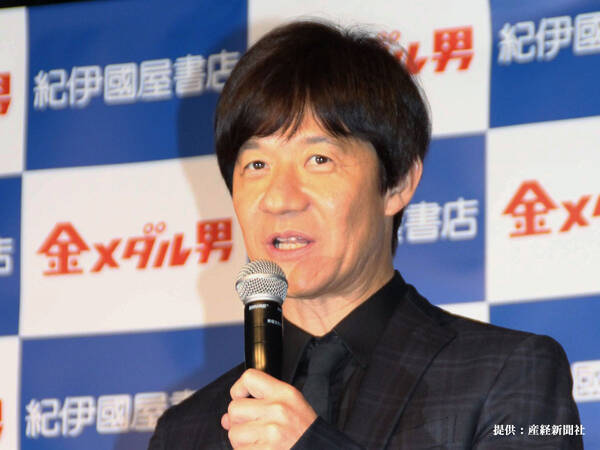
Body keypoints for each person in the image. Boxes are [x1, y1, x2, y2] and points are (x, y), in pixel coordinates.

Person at [149, 21, 582, 449]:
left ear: (398, 184)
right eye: (256, 165)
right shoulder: (187, 432)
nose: (280, 199)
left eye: (318, 160)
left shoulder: (510, 374)